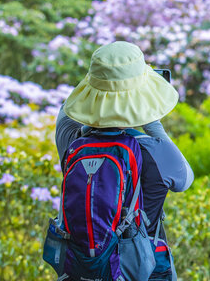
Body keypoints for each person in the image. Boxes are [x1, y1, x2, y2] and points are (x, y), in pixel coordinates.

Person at [55, 41, 193, 280]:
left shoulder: (72, 142)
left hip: (81, 267)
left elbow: (68, 110)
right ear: (143, 98)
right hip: (142, 268)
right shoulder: (158, 153)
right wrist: (151, 119)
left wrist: (101, 83)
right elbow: (185, 180)